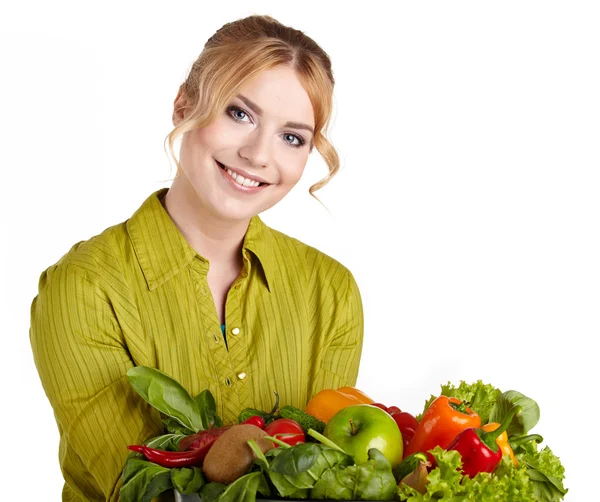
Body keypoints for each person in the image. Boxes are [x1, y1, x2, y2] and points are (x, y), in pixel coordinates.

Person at [29, 14, 364, 502]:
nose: (257, 154)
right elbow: (143, 490)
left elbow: (324, 478)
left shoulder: (331, 292)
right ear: (184, 104)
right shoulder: (83, 289)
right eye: (239, 114)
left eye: (292, 137)